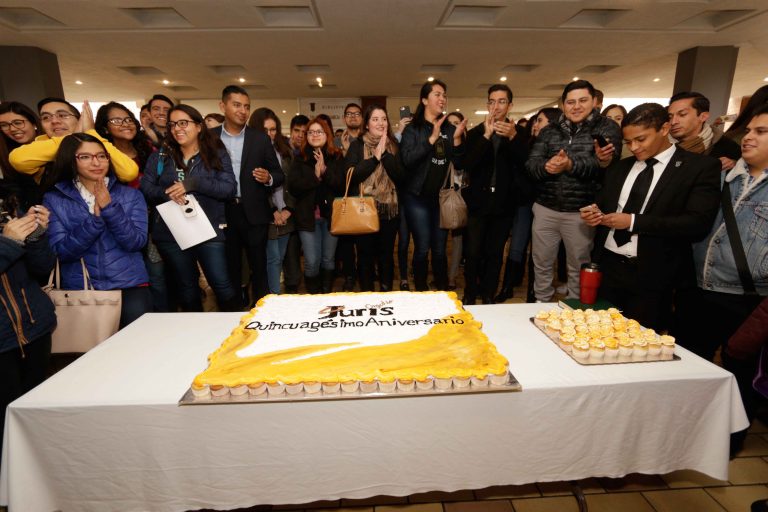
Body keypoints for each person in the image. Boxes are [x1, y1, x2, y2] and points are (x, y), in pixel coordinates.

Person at [675, 104, 768, 452]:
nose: (748, 137)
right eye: (749, 130)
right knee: (688, 363)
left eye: (761, 132)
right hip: (698, 287)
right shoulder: (721, 175)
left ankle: (728, 442)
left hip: (749, 297)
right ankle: (685, 432)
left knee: (739, 372)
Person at [580, 103, 721, 330]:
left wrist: (633, 221)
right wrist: (593, 214)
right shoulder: (620, 168)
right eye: (628, 142)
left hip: (652, 273)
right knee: (599, 334)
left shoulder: (698, 167)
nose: (634, 147)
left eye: (641, 139)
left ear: (664, 129)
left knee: (642, 343)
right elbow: (606, 205)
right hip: (609, 267)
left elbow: (697, 223)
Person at [526, 80, 621, 302]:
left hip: (581, 211)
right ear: (563, 104)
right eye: (571, 102)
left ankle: (575, 308)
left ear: (594, 101)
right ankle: (540, 303)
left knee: (578, 263)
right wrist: (546, 167)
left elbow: (605, 165)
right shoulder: (549, 131)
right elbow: (531, 164)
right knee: (541, 261)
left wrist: (570, 164)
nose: (576, 106)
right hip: (545, 207)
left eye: (582, 101)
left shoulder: (606, 128)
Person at [44, 133, 151, 327]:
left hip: (129, 285)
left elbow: (136, 242)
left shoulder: (131, 195)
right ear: (70, 160)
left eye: (101, 156)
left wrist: (109, 209)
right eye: (85, 157)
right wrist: (95, 221)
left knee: (139, 349)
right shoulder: (54, 199)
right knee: (93, 353)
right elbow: (60, 251)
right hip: (81, 289)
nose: (96, 162)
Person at [140, 104, 240, 312]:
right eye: (173, 124)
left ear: (199, 126)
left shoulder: (216, 154)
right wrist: (169, 193)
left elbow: (229, 189)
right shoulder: (160, 156)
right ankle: (195, 336)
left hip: (208, 228)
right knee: (186, 288)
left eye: (184, 123)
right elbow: (147, 188)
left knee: (221, 284)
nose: (177, 128)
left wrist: (194, 184)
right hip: (172, 231)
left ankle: (234, 331)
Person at [210, 85, 283, 306]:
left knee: (259, 266)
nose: (243, 111)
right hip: (223, 212)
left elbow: (279, 174)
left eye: (247, 106)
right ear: (223, 106)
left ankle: (261, 311)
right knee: (229, 267)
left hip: (254, 212)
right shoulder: (209, 138)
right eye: (237, 105)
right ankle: (233, 312)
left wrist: (268, 177)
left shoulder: (259, 139)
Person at [0, 184, 56, 468]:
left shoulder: (9, 203)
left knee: (35, 414)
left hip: (35, 328)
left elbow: (42, 269)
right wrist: (9, 244)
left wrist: (36, 236)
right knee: (7, 423)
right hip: (3, 343)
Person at [462, 84, 528, 305]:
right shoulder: (475, 133)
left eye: (501, 101)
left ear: (510, 105)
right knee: (472, 252)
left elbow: (526, 164)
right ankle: (471, 292)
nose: (496, 106)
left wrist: (513, 138)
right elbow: (467, 165)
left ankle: (489, 293)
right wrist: (486, 137)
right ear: (487, 105)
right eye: (492, 101)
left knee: (495, 253)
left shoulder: (520, 134)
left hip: (504, 204)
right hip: (478, 203)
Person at [400, 79, 466, 291]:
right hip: (416, 197)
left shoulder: (449, 128)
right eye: (437, 94)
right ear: (424, 99)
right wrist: (431, 140)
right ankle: (420, 292)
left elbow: (460, 163)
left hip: (440, 198)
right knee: (422, 247)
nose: (442, 98)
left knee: (439, 249)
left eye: (444, 95)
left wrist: (455, 141)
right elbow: (407, 160)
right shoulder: (413, 129)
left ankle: (443, 291)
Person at [496, 107, 560, 303]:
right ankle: (508, 287)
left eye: (540, 121)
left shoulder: (557, 146)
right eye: (535, 121)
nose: (535, 124)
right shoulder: (528, 142)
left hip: (545, 203)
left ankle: (534, 294)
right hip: (523, 203)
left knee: (540, 253)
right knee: (517, 246)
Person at [9, 98, 138, 192]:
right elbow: (18, 160)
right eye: (46, 118)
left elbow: (129, 172)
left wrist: (90, 132)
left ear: (79, 119)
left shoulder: (94, 142)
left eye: (62, 115)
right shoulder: (41, 146)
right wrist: (72, 138)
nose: (54, 121)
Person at [345, 105, 404, 292]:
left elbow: (401, 176)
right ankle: (367, 294)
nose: (380, 122)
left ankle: (386, 292)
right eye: (375, 119)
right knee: (365, 256)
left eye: (384, 119)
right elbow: (350, 175)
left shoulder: (394, 145)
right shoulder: (357, 145)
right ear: (367, 124)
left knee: (386, 255)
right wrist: (373, 159)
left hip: (389, 210)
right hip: (364, 209)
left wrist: (384, 153)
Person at [287, 117, 343, 293]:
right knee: (311, 262)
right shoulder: (300, 158)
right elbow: (294, 187)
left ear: (327, 135)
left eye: (319, 131)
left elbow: (340, 185)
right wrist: (315, 176)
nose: (315, 135)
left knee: (328, 259)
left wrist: (325, 171)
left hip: (331, 218)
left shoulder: (336, 157)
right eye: (311, 132)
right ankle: (313, 298)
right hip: (307, 219)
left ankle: (325, 295)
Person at [248, 107, 295, 295]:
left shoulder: (285, 152)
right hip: (266, 215)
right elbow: (254, 188)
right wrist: (273, 211)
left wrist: (288, 209)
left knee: (280, 257)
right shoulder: (251, 154)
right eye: (265, 130)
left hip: (286, 214)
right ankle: (273, 297)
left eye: (273, 129)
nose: (270, 134)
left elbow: (292, 182)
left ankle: (273, 294)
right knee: (272, 258)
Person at [668, 91, 742, 171]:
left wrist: (735, 164)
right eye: (670, 117)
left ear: (703, 117)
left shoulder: (725, 146)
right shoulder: (661, 145)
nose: (673, 122)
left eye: (682, 114)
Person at [94, 102, 154, 188]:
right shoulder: (103, 156)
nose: (126, 124)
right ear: (105, 129)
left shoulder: (148, 147)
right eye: (116, 121)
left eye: (129, 120)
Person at [284, 114, 309, 293]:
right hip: (288, 211)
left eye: (304, 131)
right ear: (291, 131)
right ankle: (292, 289)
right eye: (297, 131)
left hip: (307, 212)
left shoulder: (311, 154)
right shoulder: (281, 152)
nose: (300, 135)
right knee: (291, 255)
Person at [444, 112, 466, 291]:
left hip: (461, 198)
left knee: (458, 241)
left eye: (456, 123)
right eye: (449, 124)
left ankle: (452, 278)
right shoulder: (440, 145)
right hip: (442, 198)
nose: (453, 127)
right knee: (440, 242)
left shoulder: (467, 147)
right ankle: (442, 275)